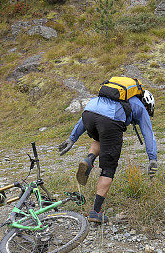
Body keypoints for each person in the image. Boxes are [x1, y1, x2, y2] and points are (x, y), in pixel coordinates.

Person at [58, 89, 157, 224]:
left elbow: (90, 115)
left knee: (99, 138)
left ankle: (89, 159)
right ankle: (95, 212)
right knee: (108, 169)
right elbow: (148, 133)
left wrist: (72, 138)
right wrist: (152, 158)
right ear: (146, 104)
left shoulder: (114, 95)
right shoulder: (140, 107)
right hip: (110, 120)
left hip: (89, 113)